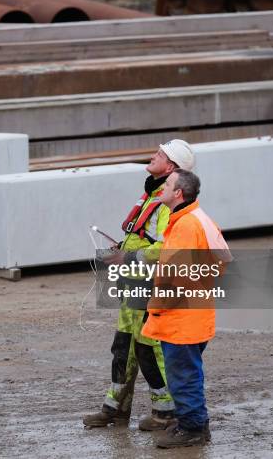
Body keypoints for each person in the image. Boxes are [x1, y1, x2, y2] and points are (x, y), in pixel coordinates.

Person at [83, 140, 195, 430]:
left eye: (158, 154)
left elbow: (164, 248)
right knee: (123, 347)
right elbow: (145, 238)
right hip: (133, 282)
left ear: (170, 166)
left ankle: (165, 413)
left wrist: (127, 255)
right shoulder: (153, 194)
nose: (152, 156)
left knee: (149, 348)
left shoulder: (168, 200)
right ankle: (116, 408)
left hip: (149, 285)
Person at [142, 169, 230, 448]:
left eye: (167, 184)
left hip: (181, 318)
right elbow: (222, 259)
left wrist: (156, 307)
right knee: (189, 372)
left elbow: (174, 276)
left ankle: (191, 429)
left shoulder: (184, 225)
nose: (162, 188)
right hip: (194, 315)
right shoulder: (197, 219)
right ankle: (195, 424)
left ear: (178, 193)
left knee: (183, 376)